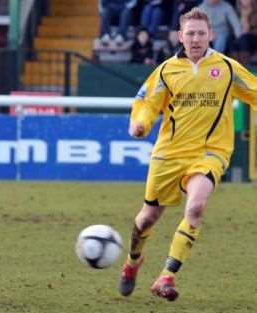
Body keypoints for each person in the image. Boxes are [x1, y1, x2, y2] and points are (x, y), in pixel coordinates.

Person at [118, 8, 257, 301]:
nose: (195, 39)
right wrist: (140, 122)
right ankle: (132, 262)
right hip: (169, 154)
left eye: (201, 33)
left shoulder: (228, 68)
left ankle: (166, 276)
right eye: (190, 33)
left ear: (212, 35)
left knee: (195, 208)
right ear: (181, 36)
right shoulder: (167, 70)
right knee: (147, 219)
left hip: (210, 152)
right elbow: (146, 101)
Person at [230, 0, 257, 65]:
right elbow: (233, 26)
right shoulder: (236, 10)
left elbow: (246, 29)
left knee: (244, 39)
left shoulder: (255, 11)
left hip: (253, 36)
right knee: (230, 39)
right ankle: (235, 65)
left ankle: (245, 64)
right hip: (240, 35)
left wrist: (245, 16)